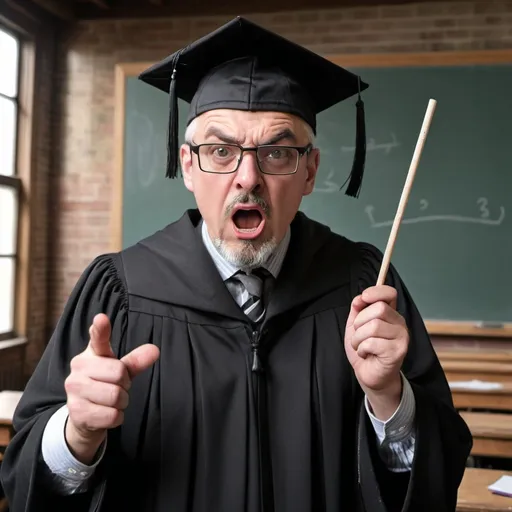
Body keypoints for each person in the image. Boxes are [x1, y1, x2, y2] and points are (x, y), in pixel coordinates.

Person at [1, 16, 471, 512]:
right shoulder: (119, 291)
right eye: (221, 151)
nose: (248, 178)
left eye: (277, 152)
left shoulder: (364, 285)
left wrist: (389, 399)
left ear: (309, 170)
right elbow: (25, 477)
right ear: (187, 165)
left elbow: (436, 476)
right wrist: (77, 433)